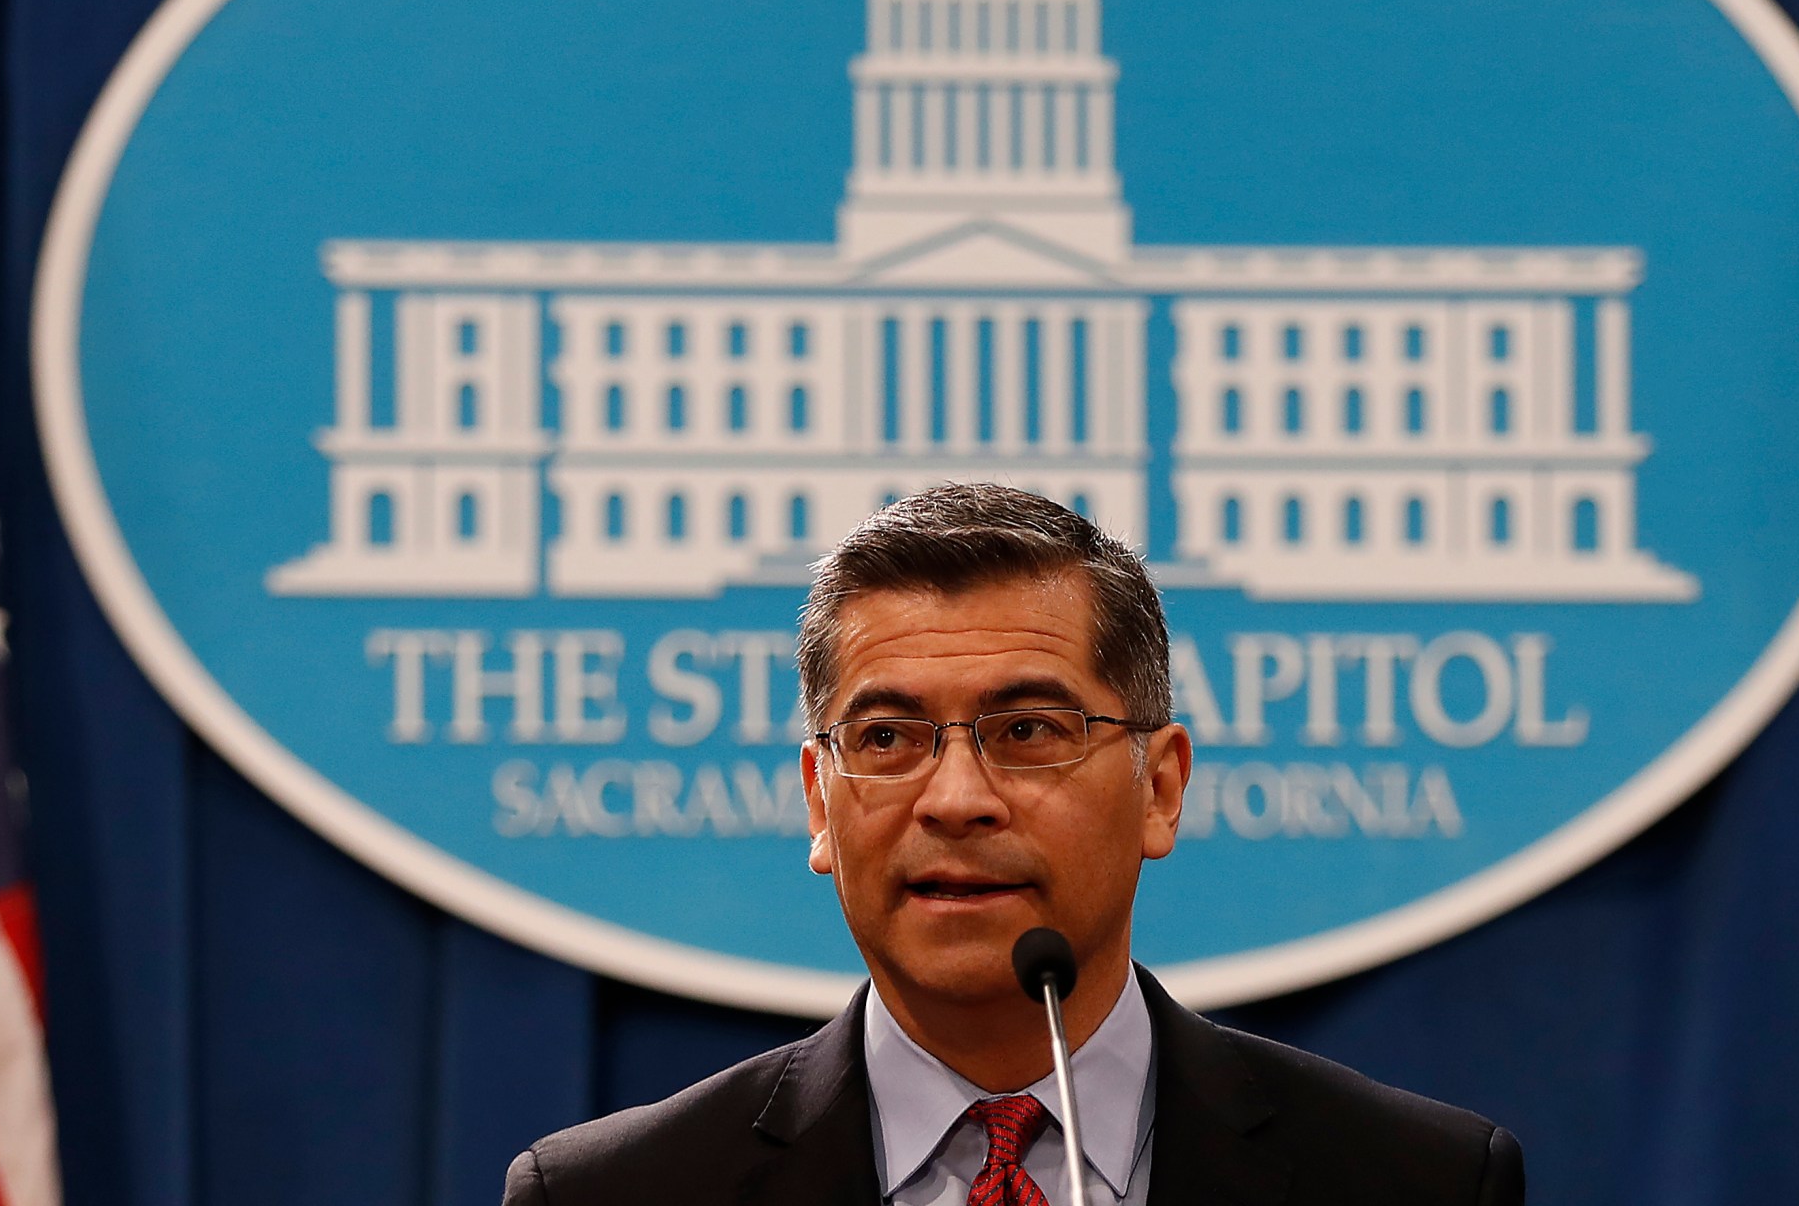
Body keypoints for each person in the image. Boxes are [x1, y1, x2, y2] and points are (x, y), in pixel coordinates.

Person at [503, 483, 1523, 1205]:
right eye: (888, 738)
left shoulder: (1416, 1179)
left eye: (1028, 731)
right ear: (821, 802)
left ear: (1159, 787)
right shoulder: (611, 1193)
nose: (955, 799)